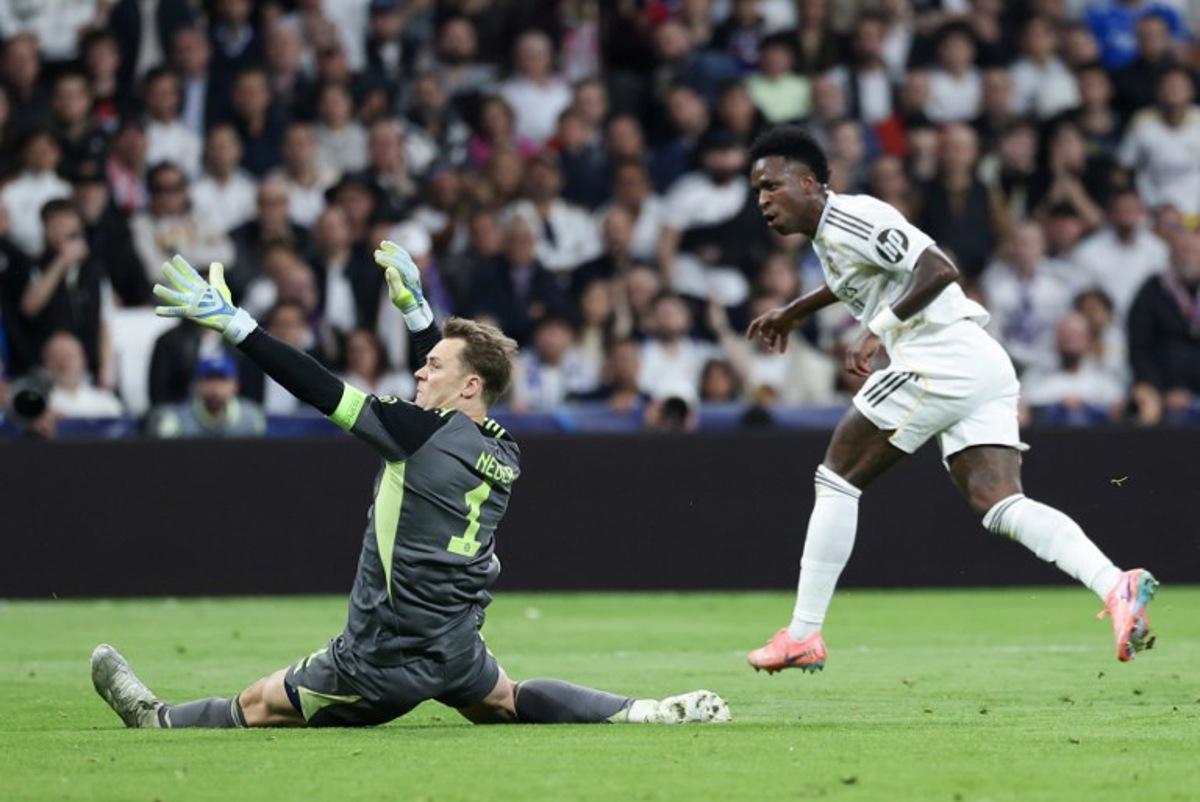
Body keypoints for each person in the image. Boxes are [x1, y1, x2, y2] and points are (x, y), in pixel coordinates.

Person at [92, 246, 729, 729]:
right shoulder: (503, 447)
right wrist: (420, 317)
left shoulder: (416, 433)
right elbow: (448, 401)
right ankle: (640, 710)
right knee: (506, 700)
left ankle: (157, 719)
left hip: (379, 660)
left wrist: (240, 329)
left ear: (470, 385)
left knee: (258, 704)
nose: (419, 371)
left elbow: (320, 388)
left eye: (431, 365)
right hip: (454, 650)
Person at [742, 125, 1157, 673]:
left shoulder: (854, 217)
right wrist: (792, 311)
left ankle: (801, 635)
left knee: (837, 477)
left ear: (809, 182)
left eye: (771, 186)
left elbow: (938, 268)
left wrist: (876, 331)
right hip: (979, 362)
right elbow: (854, 281)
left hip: (935, 358)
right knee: (999, 503)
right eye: (757, 191)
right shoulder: (830, 235)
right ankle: (1115, 584)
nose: (763, 200)